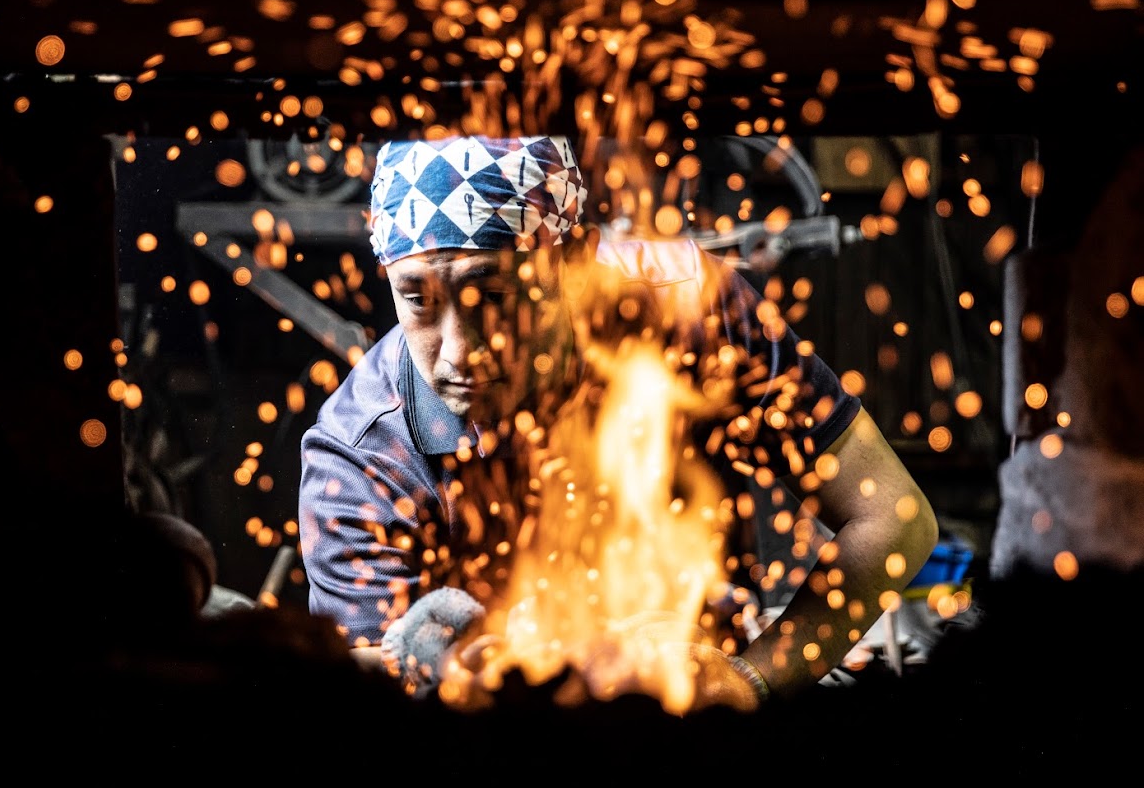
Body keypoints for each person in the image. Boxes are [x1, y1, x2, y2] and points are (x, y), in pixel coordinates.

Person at [297, 134, 939, 711]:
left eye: (494, 297)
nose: (460, 354)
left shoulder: (694, 318)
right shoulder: (360, 454)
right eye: (417, 299)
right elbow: (367, 703)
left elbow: (895, 518)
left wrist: (752, 680)